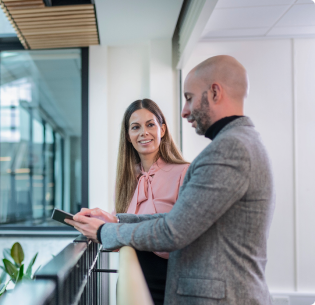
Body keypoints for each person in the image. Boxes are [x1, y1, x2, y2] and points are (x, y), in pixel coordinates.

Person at [66, 55, 275, 304]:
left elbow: (173, 230)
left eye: (189, 98)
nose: (185, 111)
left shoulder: (230, 149)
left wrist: (106, 232)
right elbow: (176, 220)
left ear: (215, 93)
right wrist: (117, 219)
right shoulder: (239, 143)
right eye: (135, 128)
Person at [99, 98, 189, 305]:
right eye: (135, 127)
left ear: (162, 130)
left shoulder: (185, 172)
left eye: (150, 125)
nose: (143, 133)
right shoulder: (125, 182)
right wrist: (99, 223)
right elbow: (118, 234)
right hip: (133, 279)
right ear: (128, 136)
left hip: (172, 282)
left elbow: (185, 230)